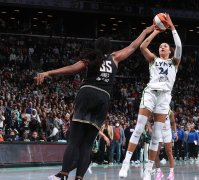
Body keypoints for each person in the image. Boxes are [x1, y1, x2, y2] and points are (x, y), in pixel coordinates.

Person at [35, 25, 154, 180]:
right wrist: (146, 31)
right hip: (103, 98)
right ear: (109, 48)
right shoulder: (115, 57)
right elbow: (133, 46)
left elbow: (72, 68)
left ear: (96, 47)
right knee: (87, 145)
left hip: (87, 93)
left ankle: (63, 174)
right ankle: (79, 178)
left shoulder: (91, 58)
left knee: (75, 141)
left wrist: (48, 72)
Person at [119, 14, 182, 180]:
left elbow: (180, 46)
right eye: (160, 46)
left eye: (165, 46)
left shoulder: (174, 63)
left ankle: (148, 170)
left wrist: (172, 27)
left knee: (156, 136)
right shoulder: (153, 59)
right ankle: (126, 163)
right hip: (150, 94)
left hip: (164, 98)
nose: (162, 47)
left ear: (170, 51)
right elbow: (142, 47)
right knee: (139, 128)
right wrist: (156, 31)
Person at [155, 110, 177, 180]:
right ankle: (159, 172)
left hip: (167, 132)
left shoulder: (170, 112)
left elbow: (173, 122)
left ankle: (171, 173)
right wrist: (149, 128)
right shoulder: (156, 109)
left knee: (169, 152)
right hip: (159, 131)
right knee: (156, 152)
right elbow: (148, 120)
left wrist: (175, 133)